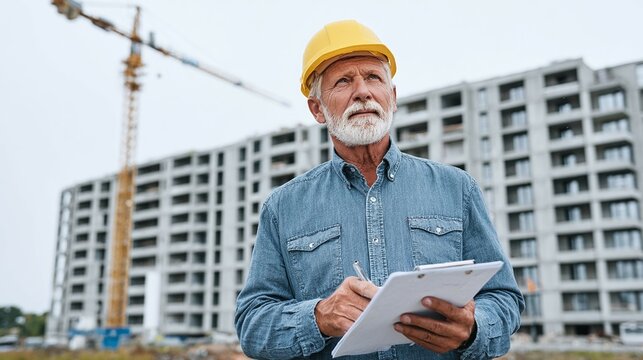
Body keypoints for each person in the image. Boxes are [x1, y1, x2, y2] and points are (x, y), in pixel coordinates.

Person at [235, 20, 524, 359]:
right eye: (343, 81)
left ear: (393, 96)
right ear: (317, 109)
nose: (362, 92)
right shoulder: (282, 208)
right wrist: (318, 316)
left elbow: (505, 300)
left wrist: (473, 329)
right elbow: (252, 323)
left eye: (373, 77)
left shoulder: (458, 189)